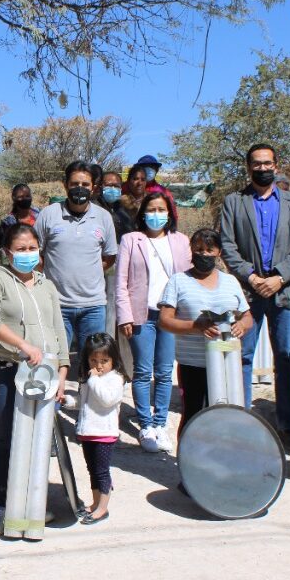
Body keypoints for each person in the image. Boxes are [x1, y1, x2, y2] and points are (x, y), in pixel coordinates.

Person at [0, 224, 70, 536]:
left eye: (33, 248)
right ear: (7, 252)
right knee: (7, 437)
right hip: (12, 369)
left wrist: (63, 371)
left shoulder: (47, 285)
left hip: (47, 373)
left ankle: (31, 504)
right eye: (21, 248)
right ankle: (1, 505)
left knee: (39, 440)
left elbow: (58, 329)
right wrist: (23, 345)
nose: (28, 254)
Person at [219, 143, 290, 443]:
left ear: (276, 164)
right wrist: (251, 276)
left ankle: (286, 423)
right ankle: (244, 422)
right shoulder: (234, 202)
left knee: (285, 358)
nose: (262, 168)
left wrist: (280, 277)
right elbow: (228, 246)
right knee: (243, 356)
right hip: (249, 293)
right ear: (248, 167)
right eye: (256, 164)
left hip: (284, 292)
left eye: (267, 163)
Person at [114, 192, 191, 453]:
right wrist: (124, 315)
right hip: (141, 314)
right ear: (143, 213)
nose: (156, 214)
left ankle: (161, 423)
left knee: (165, 372)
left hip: (170, 315)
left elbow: (189, 279)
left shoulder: (181, 241)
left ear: (169, 213)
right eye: (151, 209)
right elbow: (121, 282)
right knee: (143, 371)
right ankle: (145, 424)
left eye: (161, 209)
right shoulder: (131, 240)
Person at [158, 229, 253, 441]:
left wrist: (242, 326)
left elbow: (247, 316)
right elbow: (164, 320)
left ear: (219, 252)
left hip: (227, 360)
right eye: (199, 249)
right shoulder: (178, 281)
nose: (204, 254)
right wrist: (195, 326)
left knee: (224, 413)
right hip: (193, 363)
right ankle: (187, 462)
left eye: (210, 250)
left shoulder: (230, 282)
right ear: (191, 251)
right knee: (193, 414)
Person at [34, 161, 119, 356]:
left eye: (86, 185)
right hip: (56, 305)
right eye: (74, 184)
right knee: (53, 361)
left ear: (93, 188)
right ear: (65, 185)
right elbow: (35, 253)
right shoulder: (48, 215)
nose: (80, 189)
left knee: (93, 364)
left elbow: (110, 255)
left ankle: (86, 389)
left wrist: (90, 272)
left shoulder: (104, 217)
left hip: (94, 307)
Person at [75, 332, 126, 525]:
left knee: (102, 471)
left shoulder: (115, 379)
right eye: (93, 360)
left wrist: (93, 380)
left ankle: (103, 508)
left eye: (104, 360)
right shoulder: (89, 378)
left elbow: (106, 400)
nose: (98, 365)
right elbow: (83, 402)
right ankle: (96, 502)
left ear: (113, 359)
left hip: (104, 434)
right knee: (92, 469)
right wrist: (69, 401)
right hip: (88, 432)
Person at [98, 170, 135, 241]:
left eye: (116, 186)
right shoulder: (94, 207)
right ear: (101, 186)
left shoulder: (125, 207)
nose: (113, 188)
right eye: (109, 185)